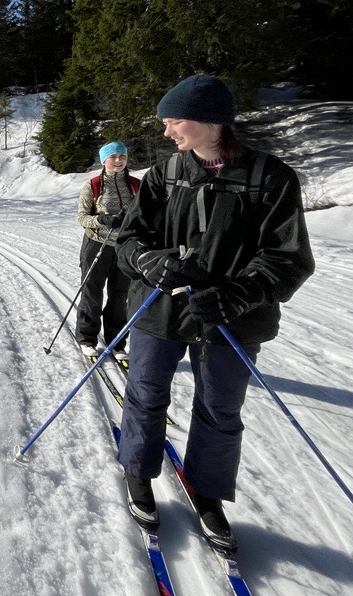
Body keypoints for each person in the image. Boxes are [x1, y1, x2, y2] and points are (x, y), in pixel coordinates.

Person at [115, 74, 315, 550]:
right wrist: (148, 261)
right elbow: (130, 237)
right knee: (145, 392)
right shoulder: (167, 173)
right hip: (160, 307)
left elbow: (289, 257)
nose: (167, 132)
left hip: (232, 317)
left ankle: (207, 493)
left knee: (221, 408)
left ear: (210, 122)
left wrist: (240, 293)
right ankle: (138, 471)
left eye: (174, 121)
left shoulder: (271, 177)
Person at [75, 141, 139, 360]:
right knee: (92, 291)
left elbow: (145, 215)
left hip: (124, 246)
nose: (119, 160)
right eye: (113, 157)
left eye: (122, 156)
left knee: (120, 296)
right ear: (104, 161)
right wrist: (102, 219)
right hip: (97, 244)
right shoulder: (93, 185)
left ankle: (117, 341)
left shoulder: (136, 186)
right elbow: (82, 217)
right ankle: (86, 338)